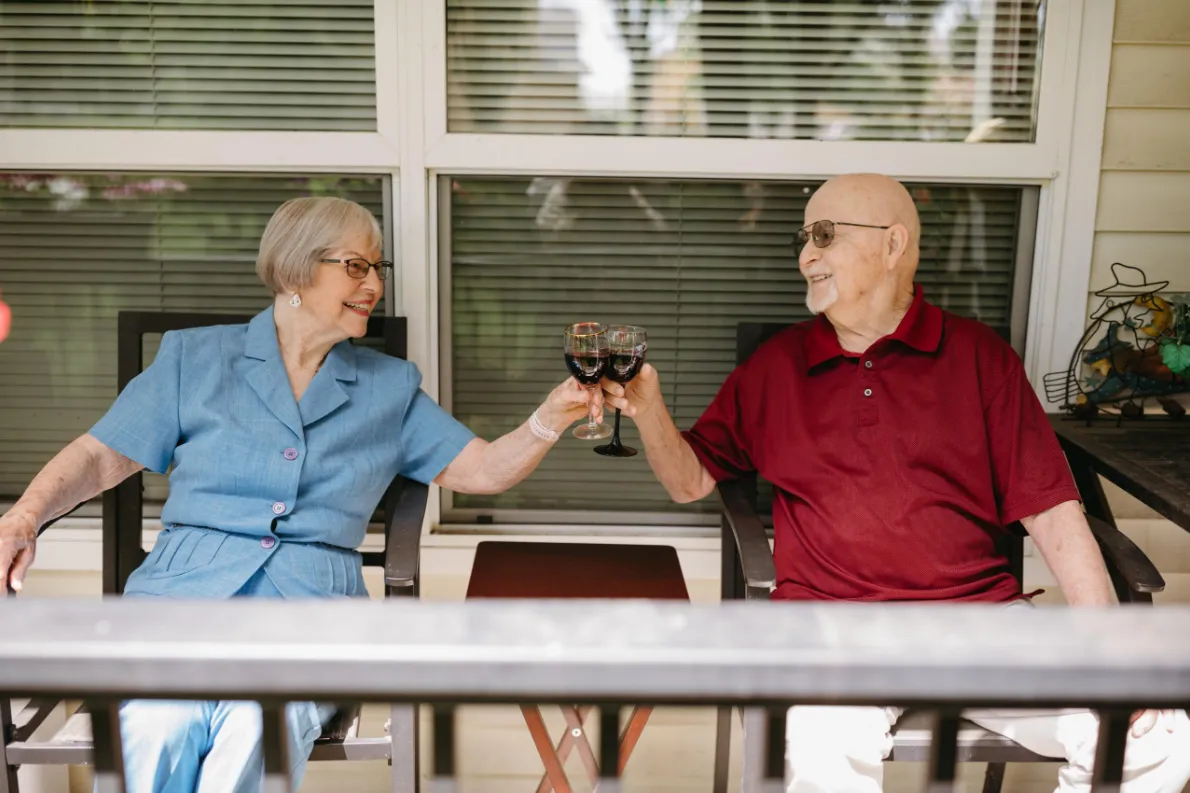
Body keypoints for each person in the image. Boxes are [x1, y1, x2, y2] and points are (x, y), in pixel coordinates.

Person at [602, 173, 1190, 793]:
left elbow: (1051, 510)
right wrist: (649, 412)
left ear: (892, 244)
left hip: (980, 624)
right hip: (831, 630)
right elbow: (690, 479)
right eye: (803, 240)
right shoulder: (775, 368)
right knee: (819, 760)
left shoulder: (980, 357)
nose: (806, 257)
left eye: (824, 235)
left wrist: (1107, 648)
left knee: (1154, 739)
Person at [0, 196, 595, 793]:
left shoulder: (388, 388)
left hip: (310, 611)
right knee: (158, 724)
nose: (374, 285)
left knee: (258, 726)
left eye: (378, 269)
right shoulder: (195, 358)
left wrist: (550, 416)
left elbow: (485, 469)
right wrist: (23, 517)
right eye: (355, 266)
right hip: (181, 602)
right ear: (294, 270)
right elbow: (101, 454)